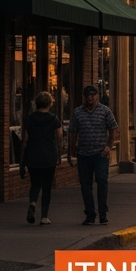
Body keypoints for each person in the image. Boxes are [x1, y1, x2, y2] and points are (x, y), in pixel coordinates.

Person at [67, 86, 119, 225]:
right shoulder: (78, 112)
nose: (90, 98)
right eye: (87, 95)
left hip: (100, 154)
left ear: (97, 96)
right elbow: (73, 132)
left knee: (102, 181)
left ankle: (103, 213)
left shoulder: (105, 111)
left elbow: (113, 129)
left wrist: (109, 146)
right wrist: (71, 151)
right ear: (84, 97)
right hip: (83, 154)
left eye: (93, 95)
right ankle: (90, 214)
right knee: (85, 185)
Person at [19, 91, 62, 225]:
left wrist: (23, 157)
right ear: (50, 104)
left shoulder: (30, 119)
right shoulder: (53, 119)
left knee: (35, 183)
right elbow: (60, 137)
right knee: (47, 187)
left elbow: (25, 140)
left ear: (36, 103)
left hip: (33, 156)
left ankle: (32, 202)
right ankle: (44, 216)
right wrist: (59, 152)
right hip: (49, 157)